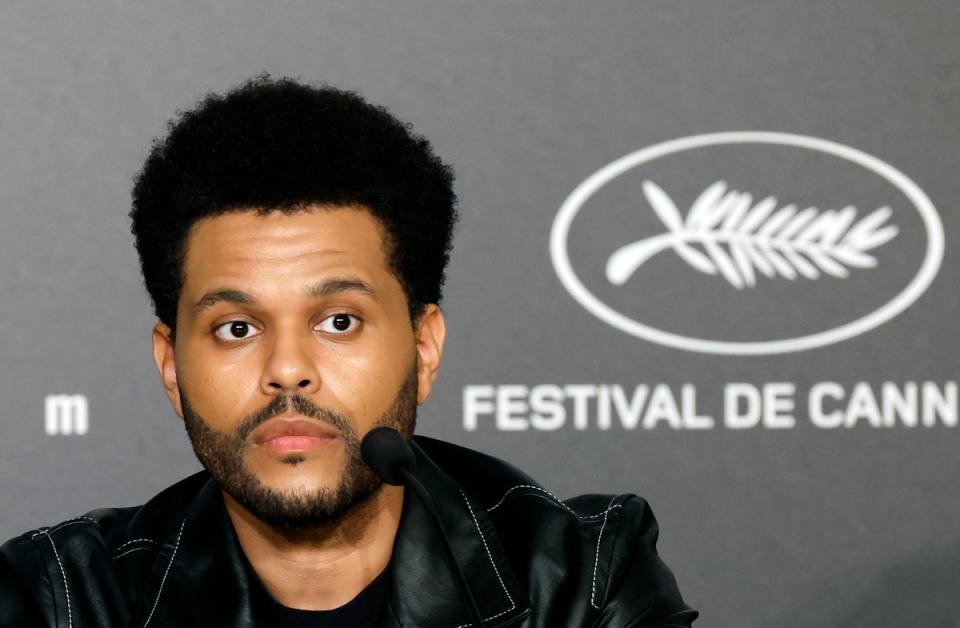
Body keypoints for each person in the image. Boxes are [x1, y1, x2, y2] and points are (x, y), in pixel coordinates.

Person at [0, 76, 698, 627]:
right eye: (237, 329)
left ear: (423, 349)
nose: (286, 369)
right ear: (170, 367)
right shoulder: (63, 600)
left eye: (338, 320)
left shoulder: (579, 583)